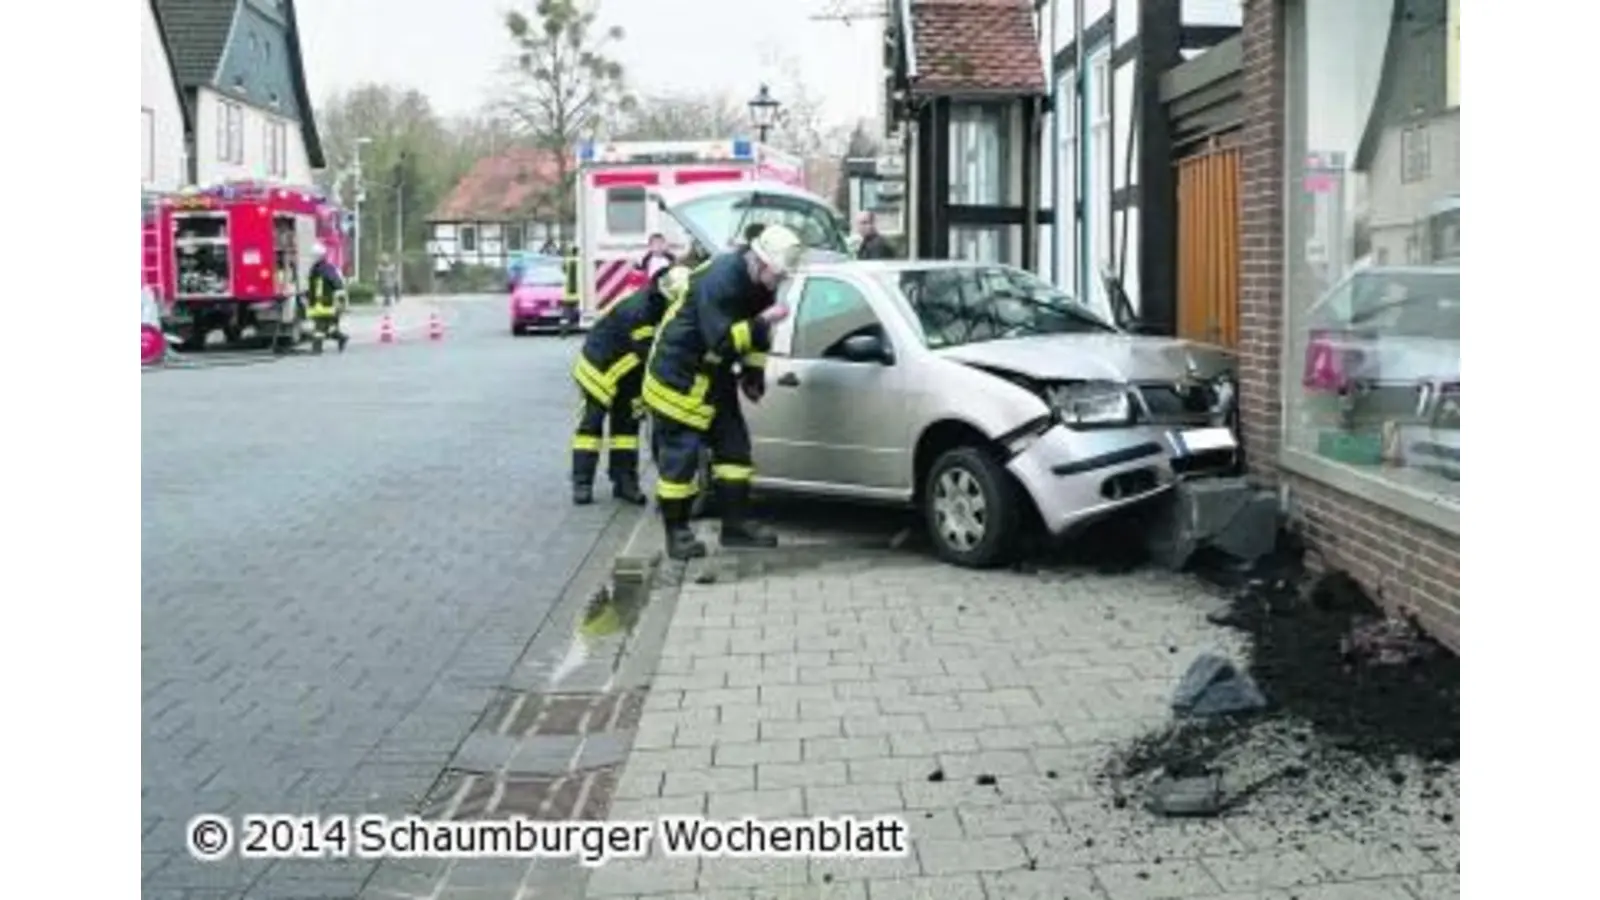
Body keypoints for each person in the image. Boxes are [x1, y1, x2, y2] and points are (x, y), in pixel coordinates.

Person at [643, 225, 802, 560]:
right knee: (681, 462)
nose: (779, 283)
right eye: (777, 275)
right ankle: (678, 534)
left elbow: (755, 337)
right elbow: (723, 339)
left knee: (735, 449)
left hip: (713, 375)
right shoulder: (720, 281)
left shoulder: (760, 283)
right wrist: (761, 322)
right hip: (678, 377)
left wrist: (753, 372)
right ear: (758, 262)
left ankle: (736, 527)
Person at [570, 257, 676, 506]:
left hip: (628, 373)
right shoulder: (639, 312)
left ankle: (624, 483)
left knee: (627, 429)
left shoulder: (659, 305)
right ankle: (582, 483)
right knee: (591, 426)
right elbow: (652, 356)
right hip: (600, 369)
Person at [305, 243, 349, 352]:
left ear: (321, 256)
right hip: (318, 304)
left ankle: (316, 348)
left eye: (315, 256)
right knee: (329, 329)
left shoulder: (328, 269)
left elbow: (337, 285)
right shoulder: (314, 270)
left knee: (319, 329)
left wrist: (340, 303)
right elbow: (313, 287)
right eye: (313, 256)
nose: (313, 258)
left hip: (327, 304)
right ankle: (341, 338)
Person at [560, 244, 582, 337]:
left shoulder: (567, 261)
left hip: (568, 293)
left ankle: (564, 331)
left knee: (566, 314)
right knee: (578, 311)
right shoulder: (581, 261)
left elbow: (563, 270)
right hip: (579, 293)